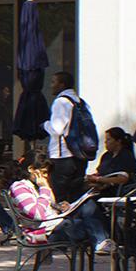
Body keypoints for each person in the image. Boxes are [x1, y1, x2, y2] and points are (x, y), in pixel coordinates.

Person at [43, 72, 92, 205]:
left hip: (62, 157)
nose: (51, 85)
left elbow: (56, 129)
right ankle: (79, 224)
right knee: (76, 198)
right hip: (81, 156)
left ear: (62, 84)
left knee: (61, 198)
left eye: (54, 82)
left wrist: (45, 124)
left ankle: (66, 225)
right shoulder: (80, 102)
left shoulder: (61, 102)